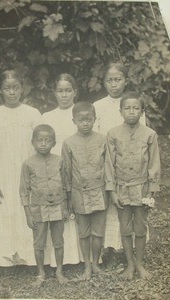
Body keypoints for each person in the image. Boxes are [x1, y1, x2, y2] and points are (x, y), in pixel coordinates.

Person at [0, 70, 41, 273]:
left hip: (26, 172)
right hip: (2, 176)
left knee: (27, 212)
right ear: (0, 91)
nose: (12, 92)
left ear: (22, 89)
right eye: (7, 88)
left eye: (15, 88)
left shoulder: (33, 114)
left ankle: (30, 258)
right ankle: (5, 260)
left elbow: (40, 147)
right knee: (3, 213)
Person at [105, 92, 161, 280]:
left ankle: (139, 263)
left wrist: (151, 192)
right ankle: (129, 264)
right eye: (127, 108)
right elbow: (109, 164)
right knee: (125, 227)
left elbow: (154, 163)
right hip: (121, 188)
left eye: (136, 108)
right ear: (120, 111)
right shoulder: (113, 134)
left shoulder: (150, 135)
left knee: (140, 228)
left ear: (142, 111)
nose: (131, 112)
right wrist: (112, 191)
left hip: (142, 189)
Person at [94, 62, 146, 250]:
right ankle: (108, 248)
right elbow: (96, 136)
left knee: (128, 204)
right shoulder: (98, 106)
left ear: (126, 81)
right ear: (104, 82)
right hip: (105, 161)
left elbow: (142, 136)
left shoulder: (132, 104)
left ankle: (127, 248)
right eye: (109, 80)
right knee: (108, 206)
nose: (113, 84)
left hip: (129, 164)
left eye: (118, 80)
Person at [62, 102, 107, 280]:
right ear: (74, 121)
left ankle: (96, 263)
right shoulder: (68, 143)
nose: (85, 123)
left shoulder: (102, 140)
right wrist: (68, 197)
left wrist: (109, 189)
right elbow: (66, 172)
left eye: (89, 119)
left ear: (95, 119)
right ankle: (87, 266)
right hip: (78, 193)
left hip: (99, 192)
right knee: (84, 231)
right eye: (81, 120)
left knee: (98, 230)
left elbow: (108, 167)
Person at [20, 124, 69, 287]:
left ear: (54, 143)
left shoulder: (59, 161)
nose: (43, 144)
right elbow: (24, 191)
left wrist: (66, 206)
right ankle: (41, 273)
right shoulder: (28, 164)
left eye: (47, 140)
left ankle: (59, 271)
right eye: (39, 140)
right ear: (32, 142)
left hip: (58, 206)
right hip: (38, 209)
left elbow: (65, 185)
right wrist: (28, 214)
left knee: (58, 241)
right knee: (39, 243)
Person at [40, 73, 81, 266]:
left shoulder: (81, 114)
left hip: (77, 168)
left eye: (68, 91)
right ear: (54, 93)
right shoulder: (47, 117)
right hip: (55, 171)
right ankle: (58, 259)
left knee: (76, 208)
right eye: (60, 91)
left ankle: (80, 256)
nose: (64, 95)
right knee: (57, 210)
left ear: (75, 92)